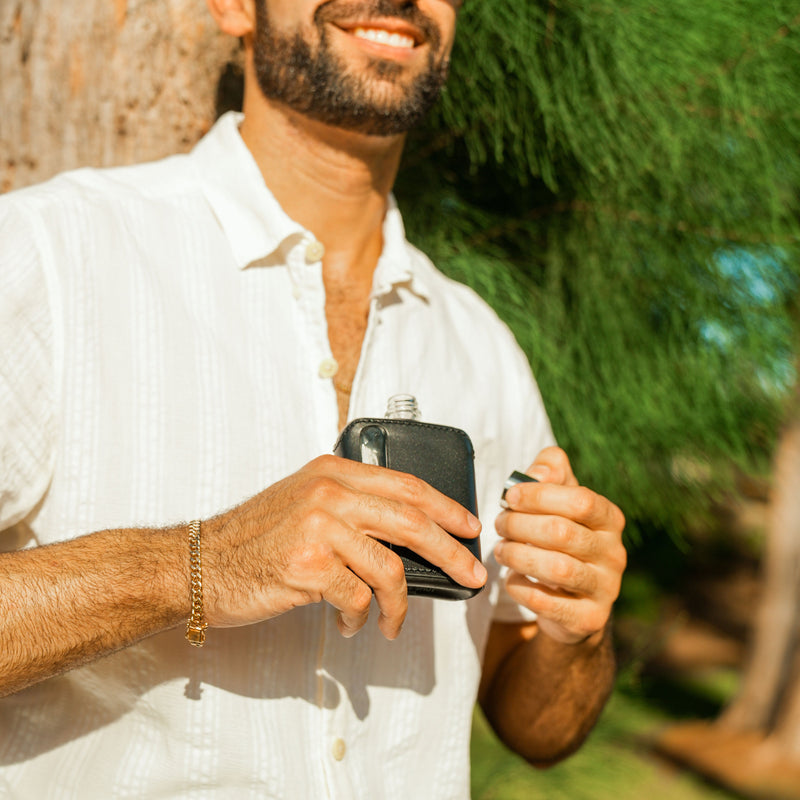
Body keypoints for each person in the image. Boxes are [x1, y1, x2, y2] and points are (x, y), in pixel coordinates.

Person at [0, 0, 627, 797]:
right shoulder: (47, 255)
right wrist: (199, 566)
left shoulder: (481, 344)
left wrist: (576, 630)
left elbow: (539, 728)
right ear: (234, 8)